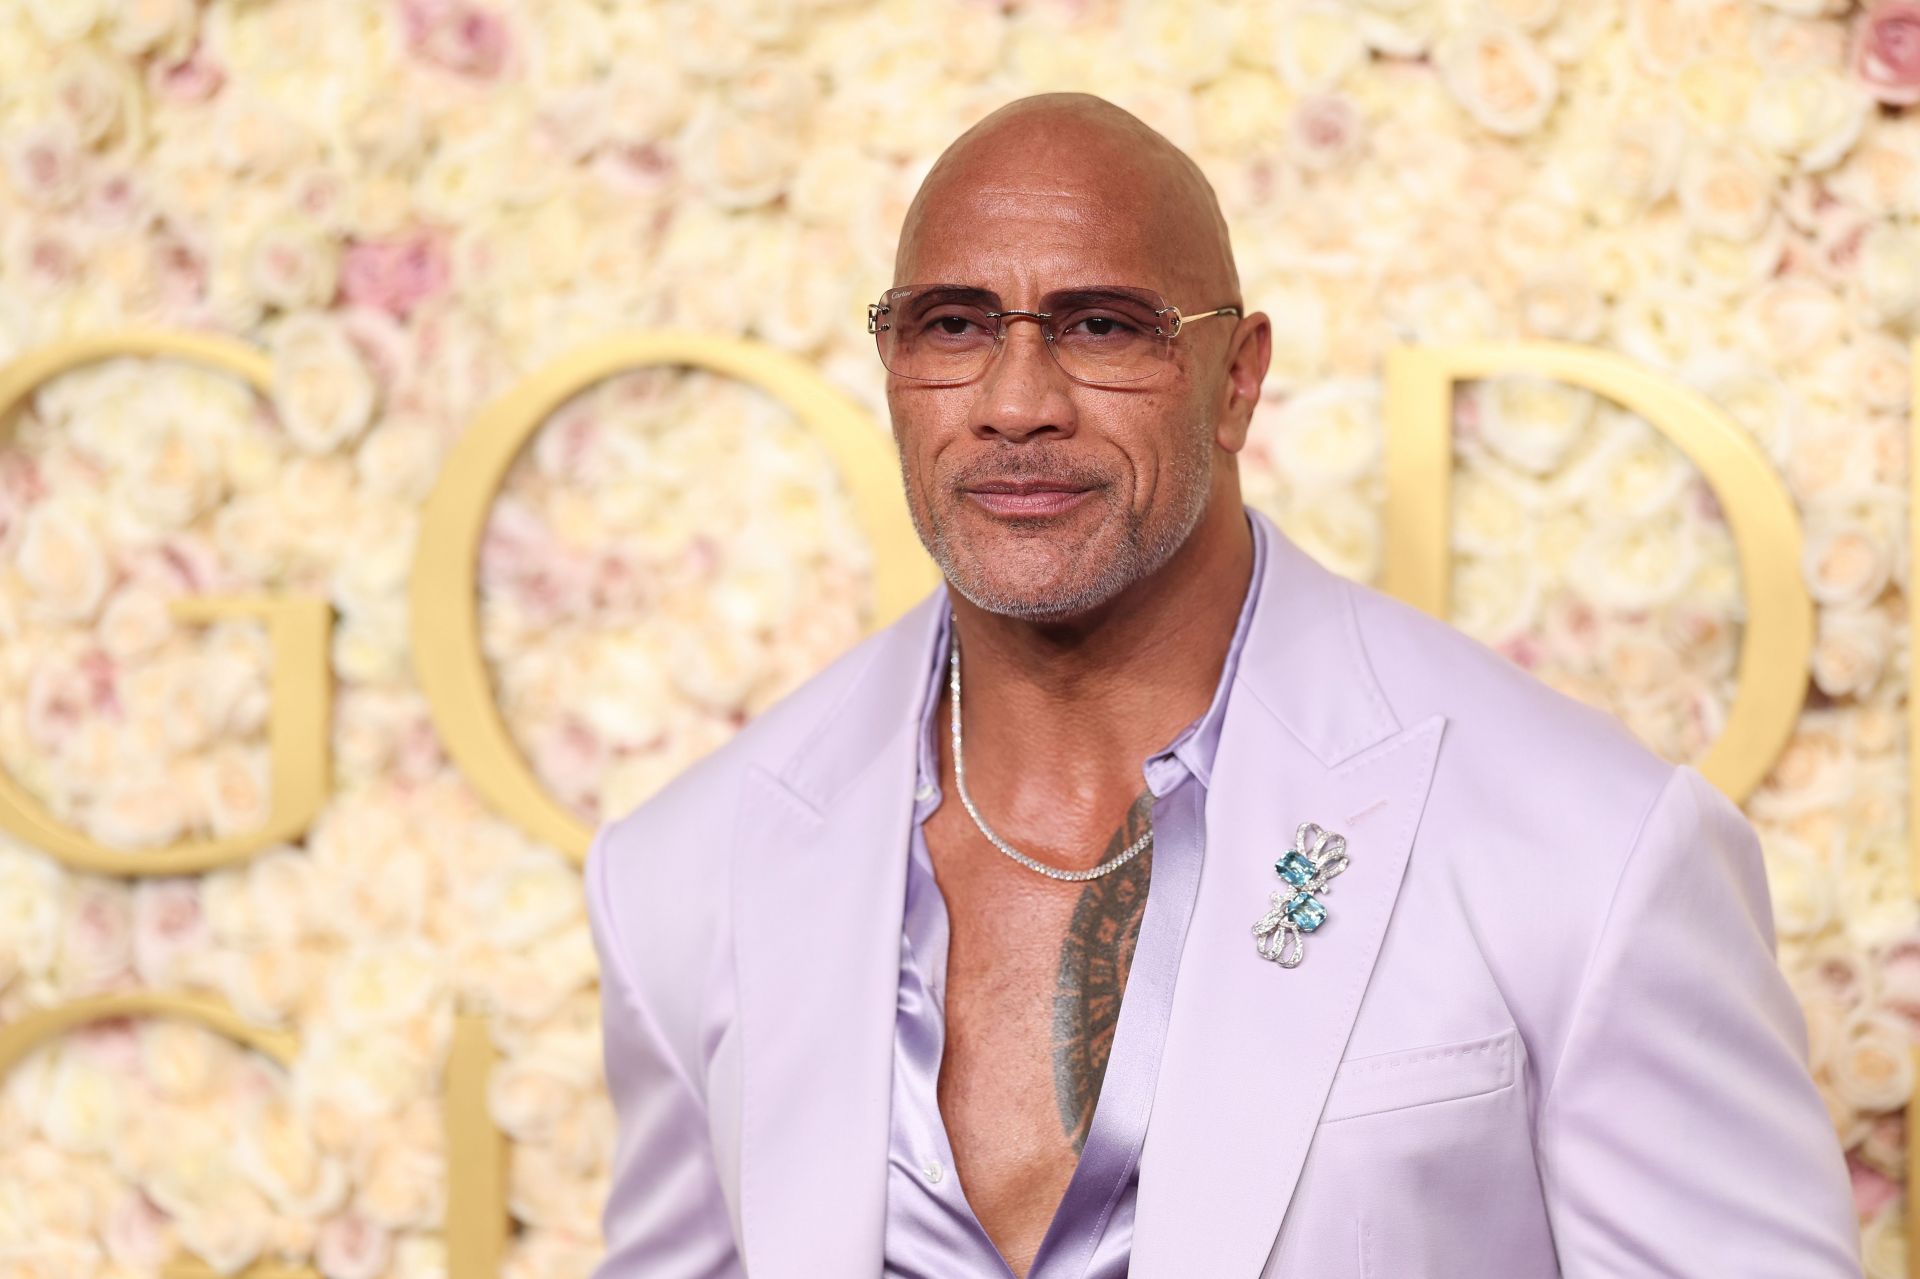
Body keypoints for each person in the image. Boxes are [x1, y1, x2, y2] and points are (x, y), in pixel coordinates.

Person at [583, 93, 1860, 1278]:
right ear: (896, 368)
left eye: (1100, 325)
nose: (1017, 402)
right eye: (955, 325)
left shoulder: (1592, 846)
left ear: (1236, 379)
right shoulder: (687, 874)